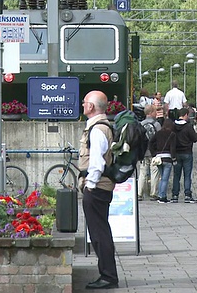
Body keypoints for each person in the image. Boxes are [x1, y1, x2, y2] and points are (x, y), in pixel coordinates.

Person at [77, 90, 119, 290]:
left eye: (85, 102)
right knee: (101, 231)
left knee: (99, 233)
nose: (83, 105)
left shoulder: (97, 129)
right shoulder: (102, 127)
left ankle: (108, 276)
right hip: (101, 186)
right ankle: (108, 274)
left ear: (91, 106)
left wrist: (90, 185)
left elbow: (96, 162)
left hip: (97, 187)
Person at [172, 108, 197, 203]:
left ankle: (175, 195)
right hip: (187, 152)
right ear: (185, 115)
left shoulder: (173, 126)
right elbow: (194, 138)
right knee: (187, 175)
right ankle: (187, 195)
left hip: (176, 153)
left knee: (176, 175)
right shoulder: (188, 127)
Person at [137, 105, 161, 201]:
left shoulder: (140, 124)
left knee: (142, 173)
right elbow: (159, 138)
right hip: (154, 152)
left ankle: (139, 193)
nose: (156, 113)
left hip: (143, 153)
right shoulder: (157, 124)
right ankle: (153, 193)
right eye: (155, 111)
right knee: (154, 172)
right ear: (150, 112)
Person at [150, 119, 177, 203]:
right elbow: (173, 148)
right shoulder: (172, 134)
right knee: (165, 179)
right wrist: (174, 158)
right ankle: (162, 196)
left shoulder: (158, 133)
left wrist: (154, 153)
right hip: (168, 159)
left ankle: (161, 195)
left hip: (158, 158)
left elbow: (151, 143)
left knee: (162, 178)